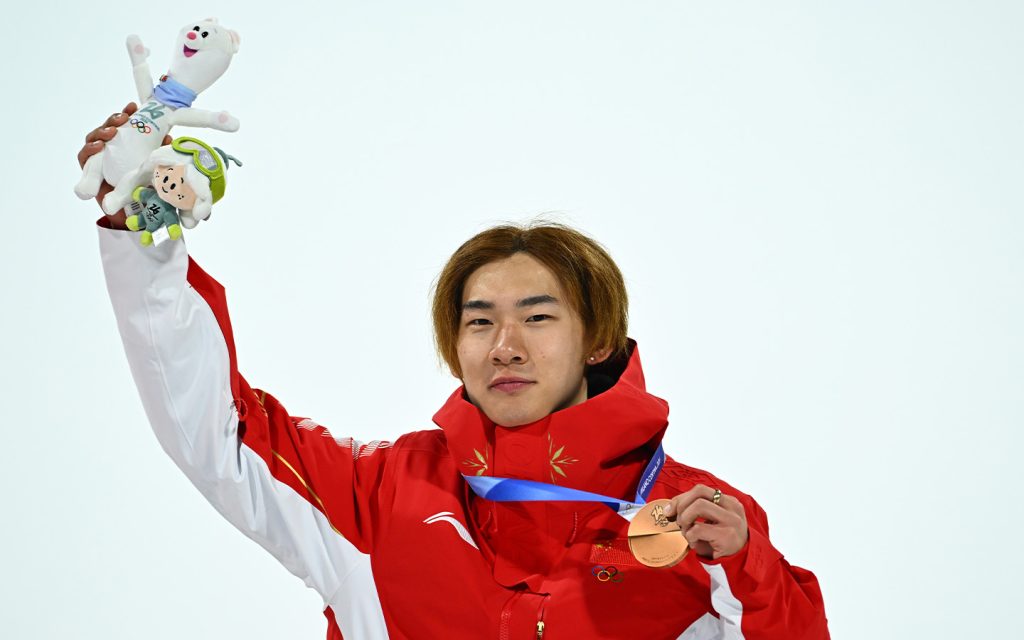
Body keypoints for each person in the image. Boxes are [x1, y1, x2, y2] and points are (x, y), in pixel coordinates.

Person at [81, 105, 830, 639]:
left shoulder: (704, 524)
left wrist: (750, 567)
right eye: (479, 321)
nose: (504, 345)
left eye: (538, 318)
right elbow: (219, 430)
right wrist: (144, 232)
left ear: (598, 340)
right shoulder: (380, 494)